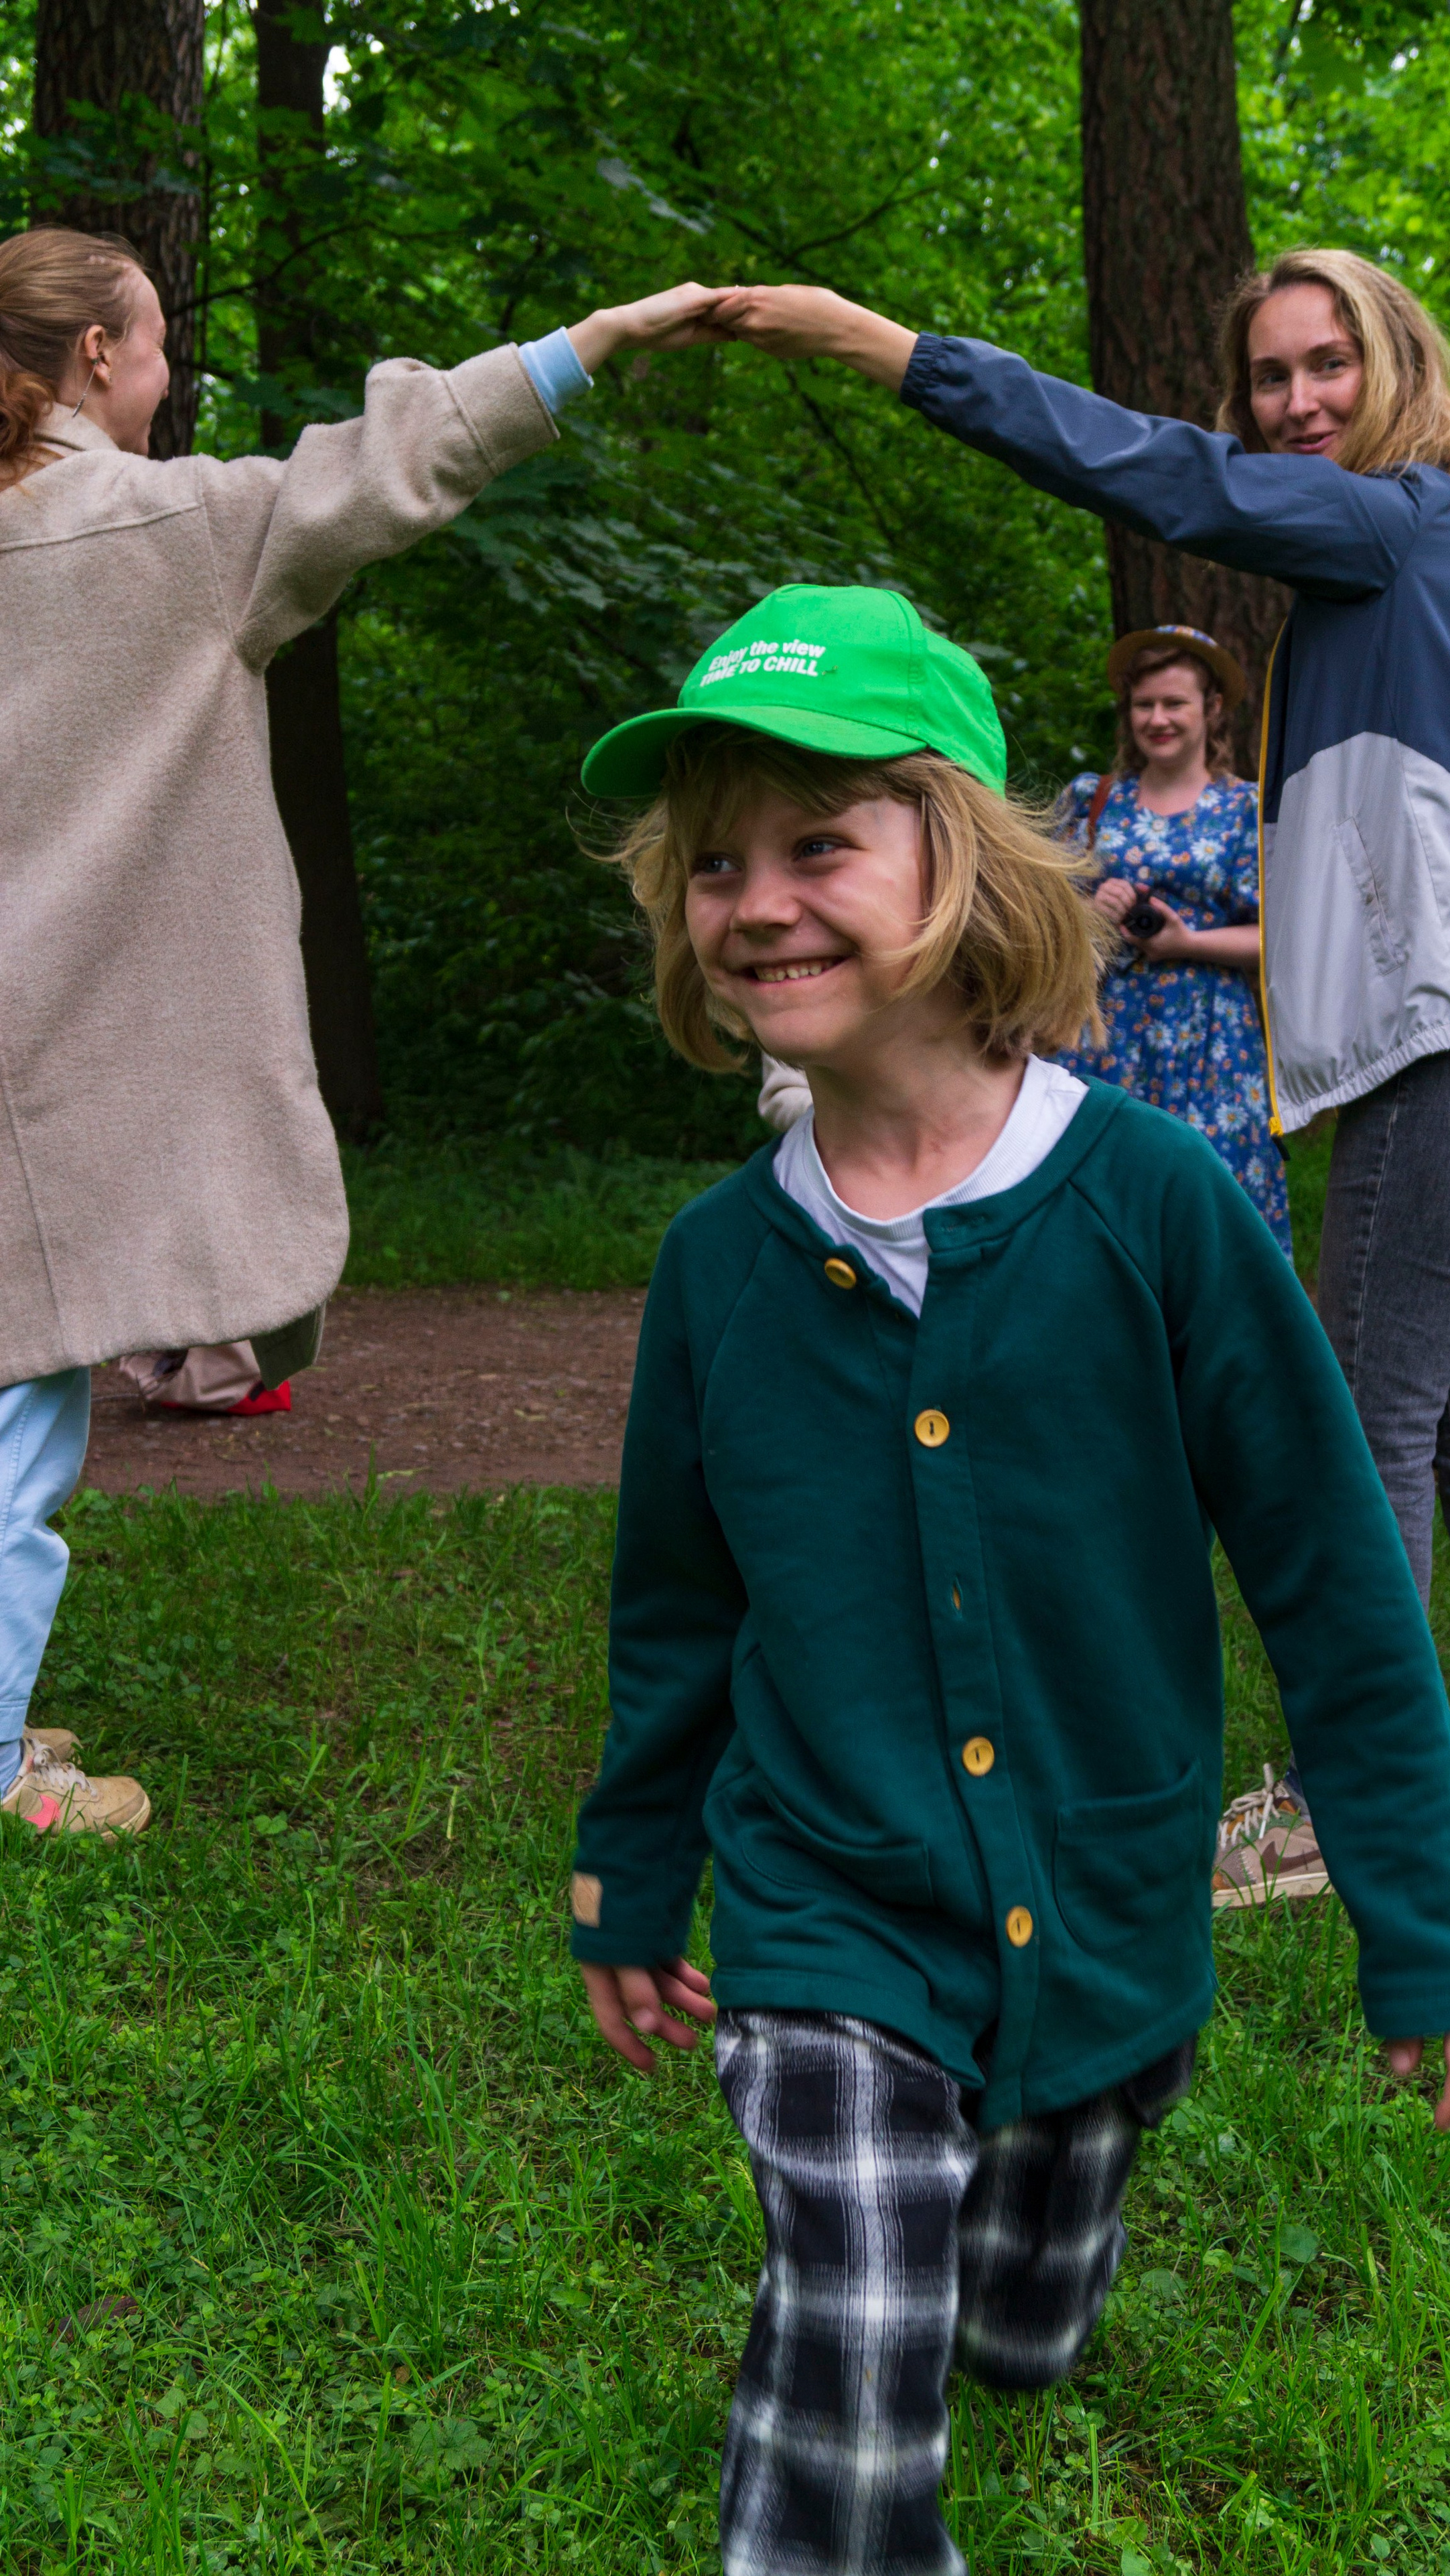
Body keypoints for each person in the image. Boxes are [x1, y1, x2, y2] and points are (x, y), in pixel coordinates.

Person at [568, 580, 1450, 2576]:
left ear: (964, 860)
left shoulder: (1152, 1210)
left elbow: (1330, 1578)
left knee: (1008, 2300)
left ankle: (1022, 2283)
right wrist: (634, 1861)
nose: (755, 899)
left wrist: (1425, 1917)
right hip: (827, 1892)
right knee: (850, 2304)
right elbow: (674, 1604)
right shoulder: (714, 1275)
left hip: (1100, 1895)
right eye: (714, 862)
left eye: (817, 842)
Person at [710, 255, 1450, 1895]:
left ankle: (1358, 1801)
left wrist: (891, 350)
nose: (1294, 405)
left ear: (1400, 365)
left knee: (1362, 1421)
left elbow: (1150, 471)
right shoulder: (1444, 564)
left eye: (1328, 364)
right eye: (1266, 379)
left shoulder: (1393, 522)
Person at [0, 226, 733, 1836]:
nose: (170, 369)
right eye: (156, 339)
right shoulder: (168, 529)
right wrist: (594, 335)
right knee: (19, 1410)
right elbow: (396, 461)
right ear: (102, 360)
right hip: (52, 1060)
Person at [1059, 624, 1289, 1253]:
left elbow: (1285, 941)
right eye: (1143, 705)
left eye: (1174, 704)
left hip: (1214, 1046)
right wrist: (1090, 912)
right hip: (1101, 1038)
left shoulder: (1246, 809)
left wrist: (1188, 943)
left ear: (1211, 709)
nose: (1157, 719)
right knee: (1098, 1201)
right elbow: (1035, 919)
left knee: (1215, 1209)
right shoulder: (1092, 801)